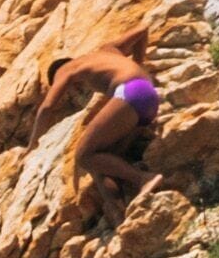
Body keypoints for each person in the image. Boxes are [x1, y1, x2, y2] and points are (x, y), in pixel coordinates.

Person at [32, 31, 162, 226]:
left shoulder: (66, 69)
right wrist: (139, 64)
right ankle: (119, 213)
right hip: (149, 95)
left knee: (83, 155)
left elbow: (47, 107)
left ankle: (144, 178)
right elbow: (142, 31)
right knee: (100, 159)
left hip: (130, 93)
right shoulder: (108, 51)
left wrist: (33, 143)